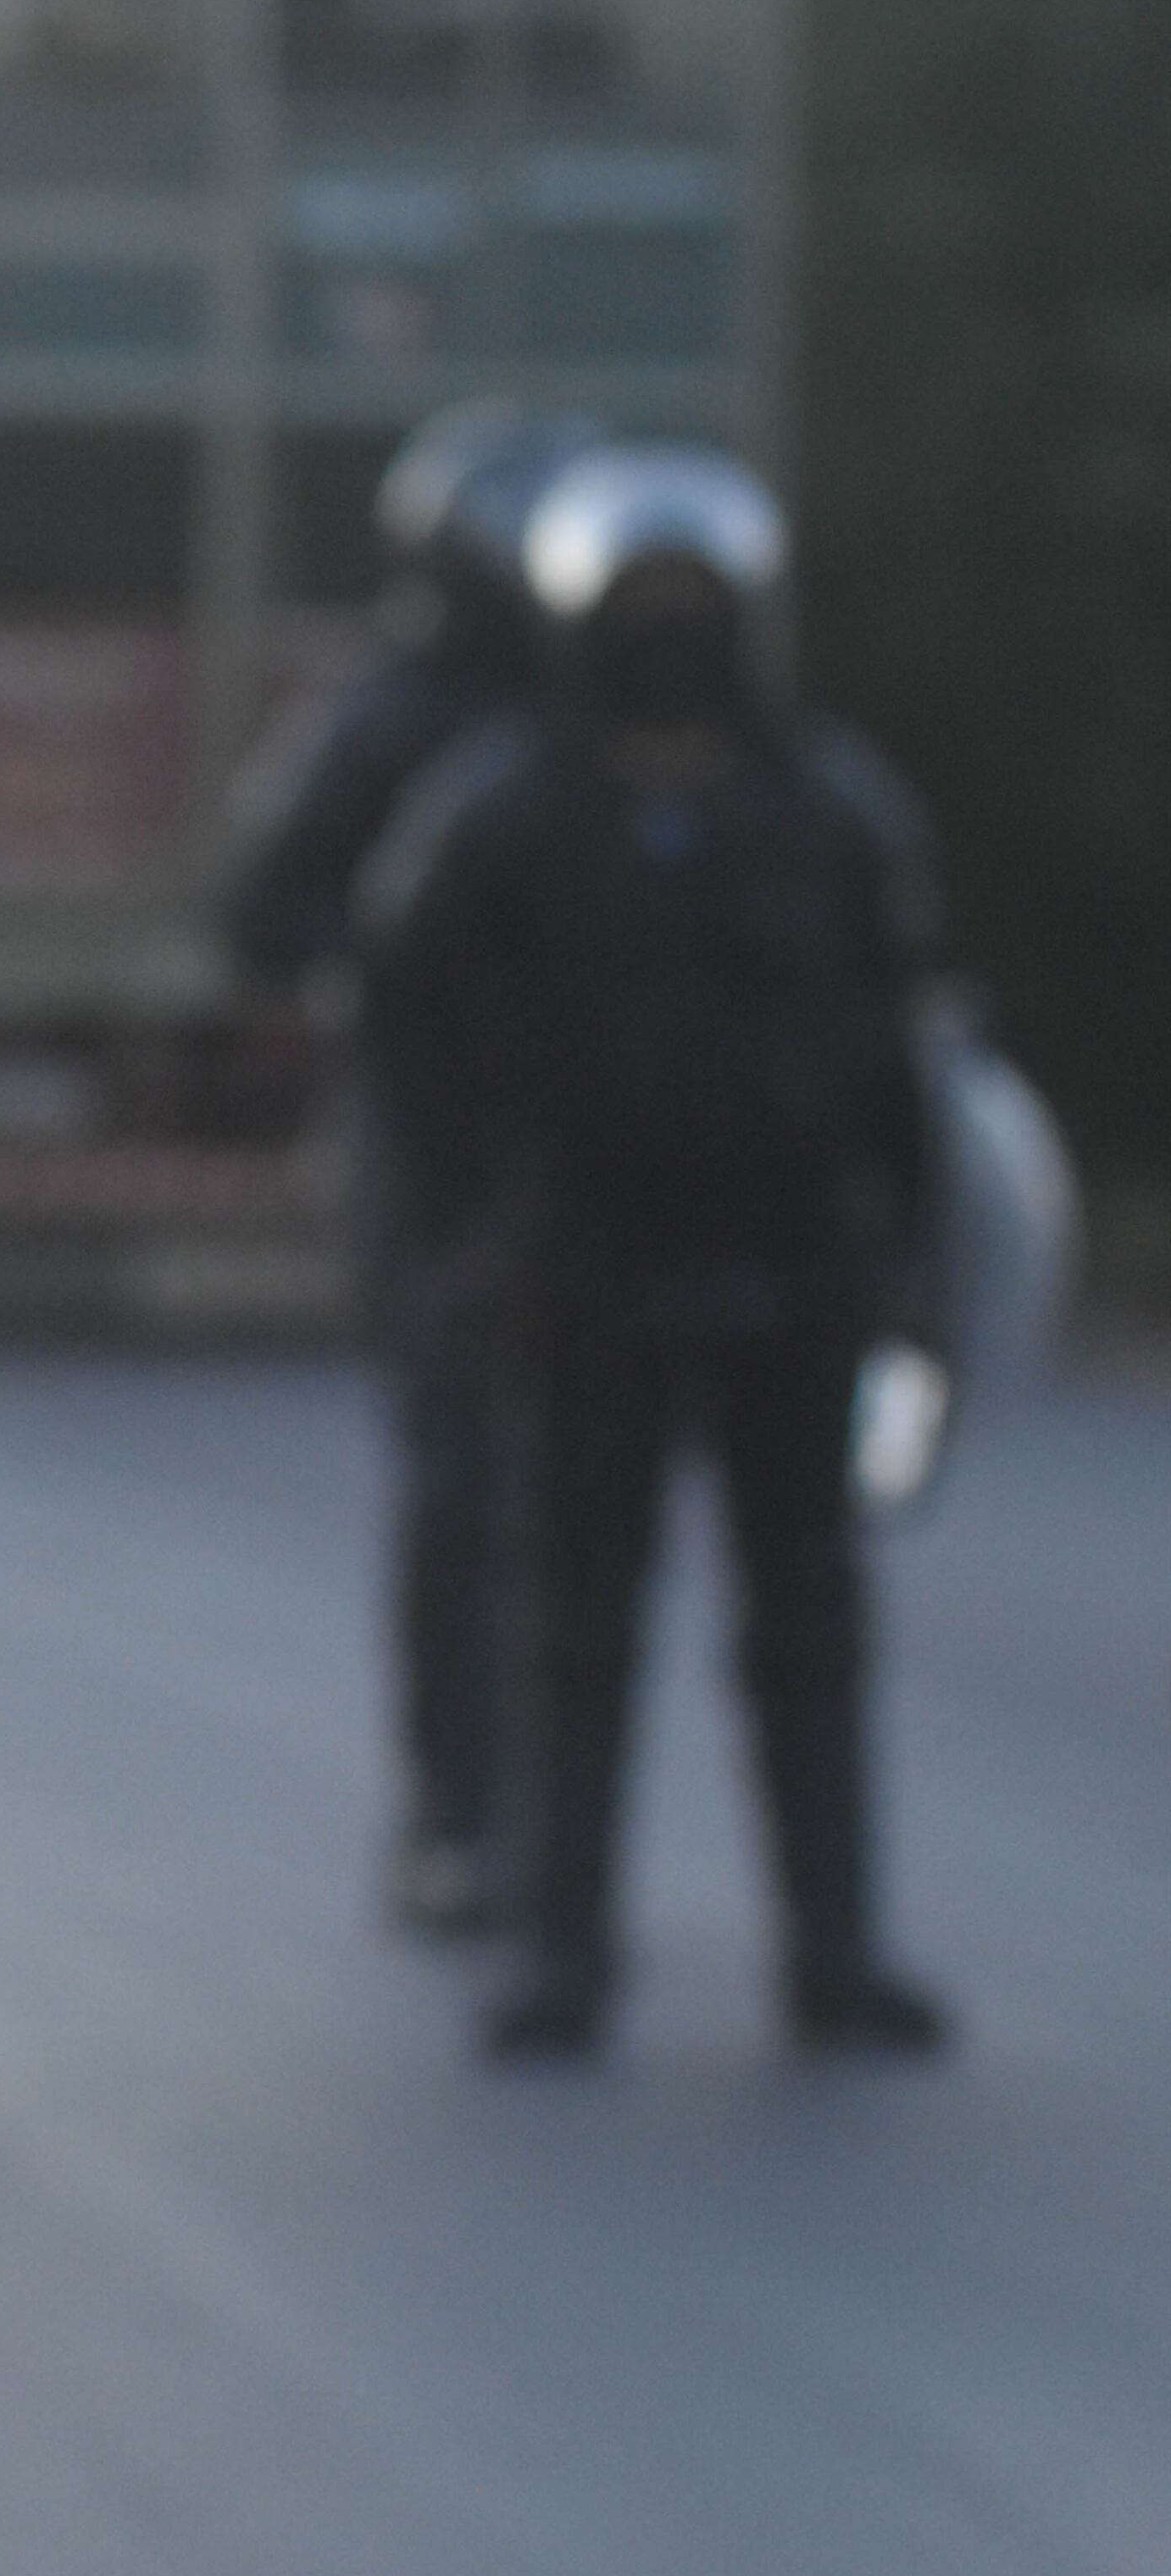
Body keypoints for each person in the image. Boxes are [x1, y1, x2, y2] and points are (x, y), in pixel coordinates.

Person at [369, 442, 953, 2060]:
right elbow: (414, 1039)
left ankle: (834, 1954)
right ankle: (566, 1953)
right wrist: (468, 1235)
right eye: (645, 608)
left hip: (792, 1270)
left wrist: (908, 1273)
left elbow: (899, 1066)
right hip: (588, 1264)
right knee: (573, 1621)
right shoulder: (504, 822)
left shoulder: (831, 816)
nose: (670, 644)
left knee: (812, 1625)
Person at [223, 401, 593, 1937]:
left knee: (591, 1502)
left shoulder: (629, 719)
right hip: (439, 1153)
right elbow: (263, 917)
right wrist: (387, 985)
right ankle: (457, 1810)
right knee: (462, 1483)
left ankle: (565, 1828)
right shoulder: (383, 727)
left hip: (613, 1168)